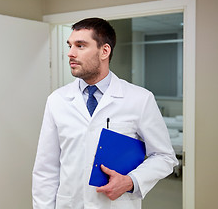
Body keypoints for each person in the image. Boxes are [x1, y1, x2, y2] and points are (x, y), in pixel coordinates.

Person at [32, 17, 178, 209]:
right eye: (70, 46)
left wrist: (131, 181)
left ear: (105, 51)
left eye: (80, 46)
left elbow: (164, 156)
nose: (70, 53)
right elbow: (46, 169)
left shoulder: (139, 99)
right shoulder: (57, 100)